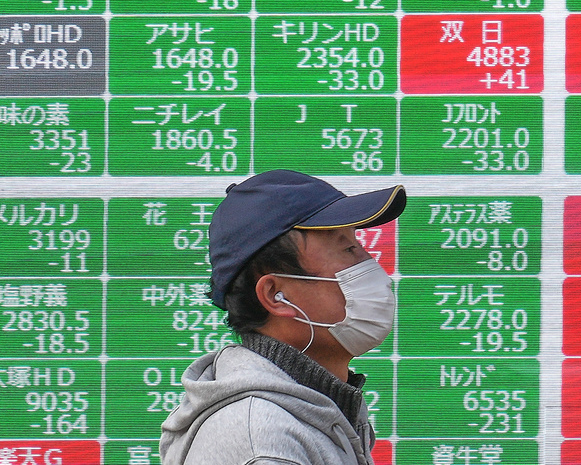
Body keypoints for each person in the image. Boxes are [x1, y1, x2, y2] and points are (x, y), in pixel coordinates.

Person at [160, 169, 406, 465]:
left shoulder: (316, 411)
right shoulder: (264, 441)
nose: (370, 266)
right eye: (348, 249)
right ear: (276, 294)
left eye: (360, 246)